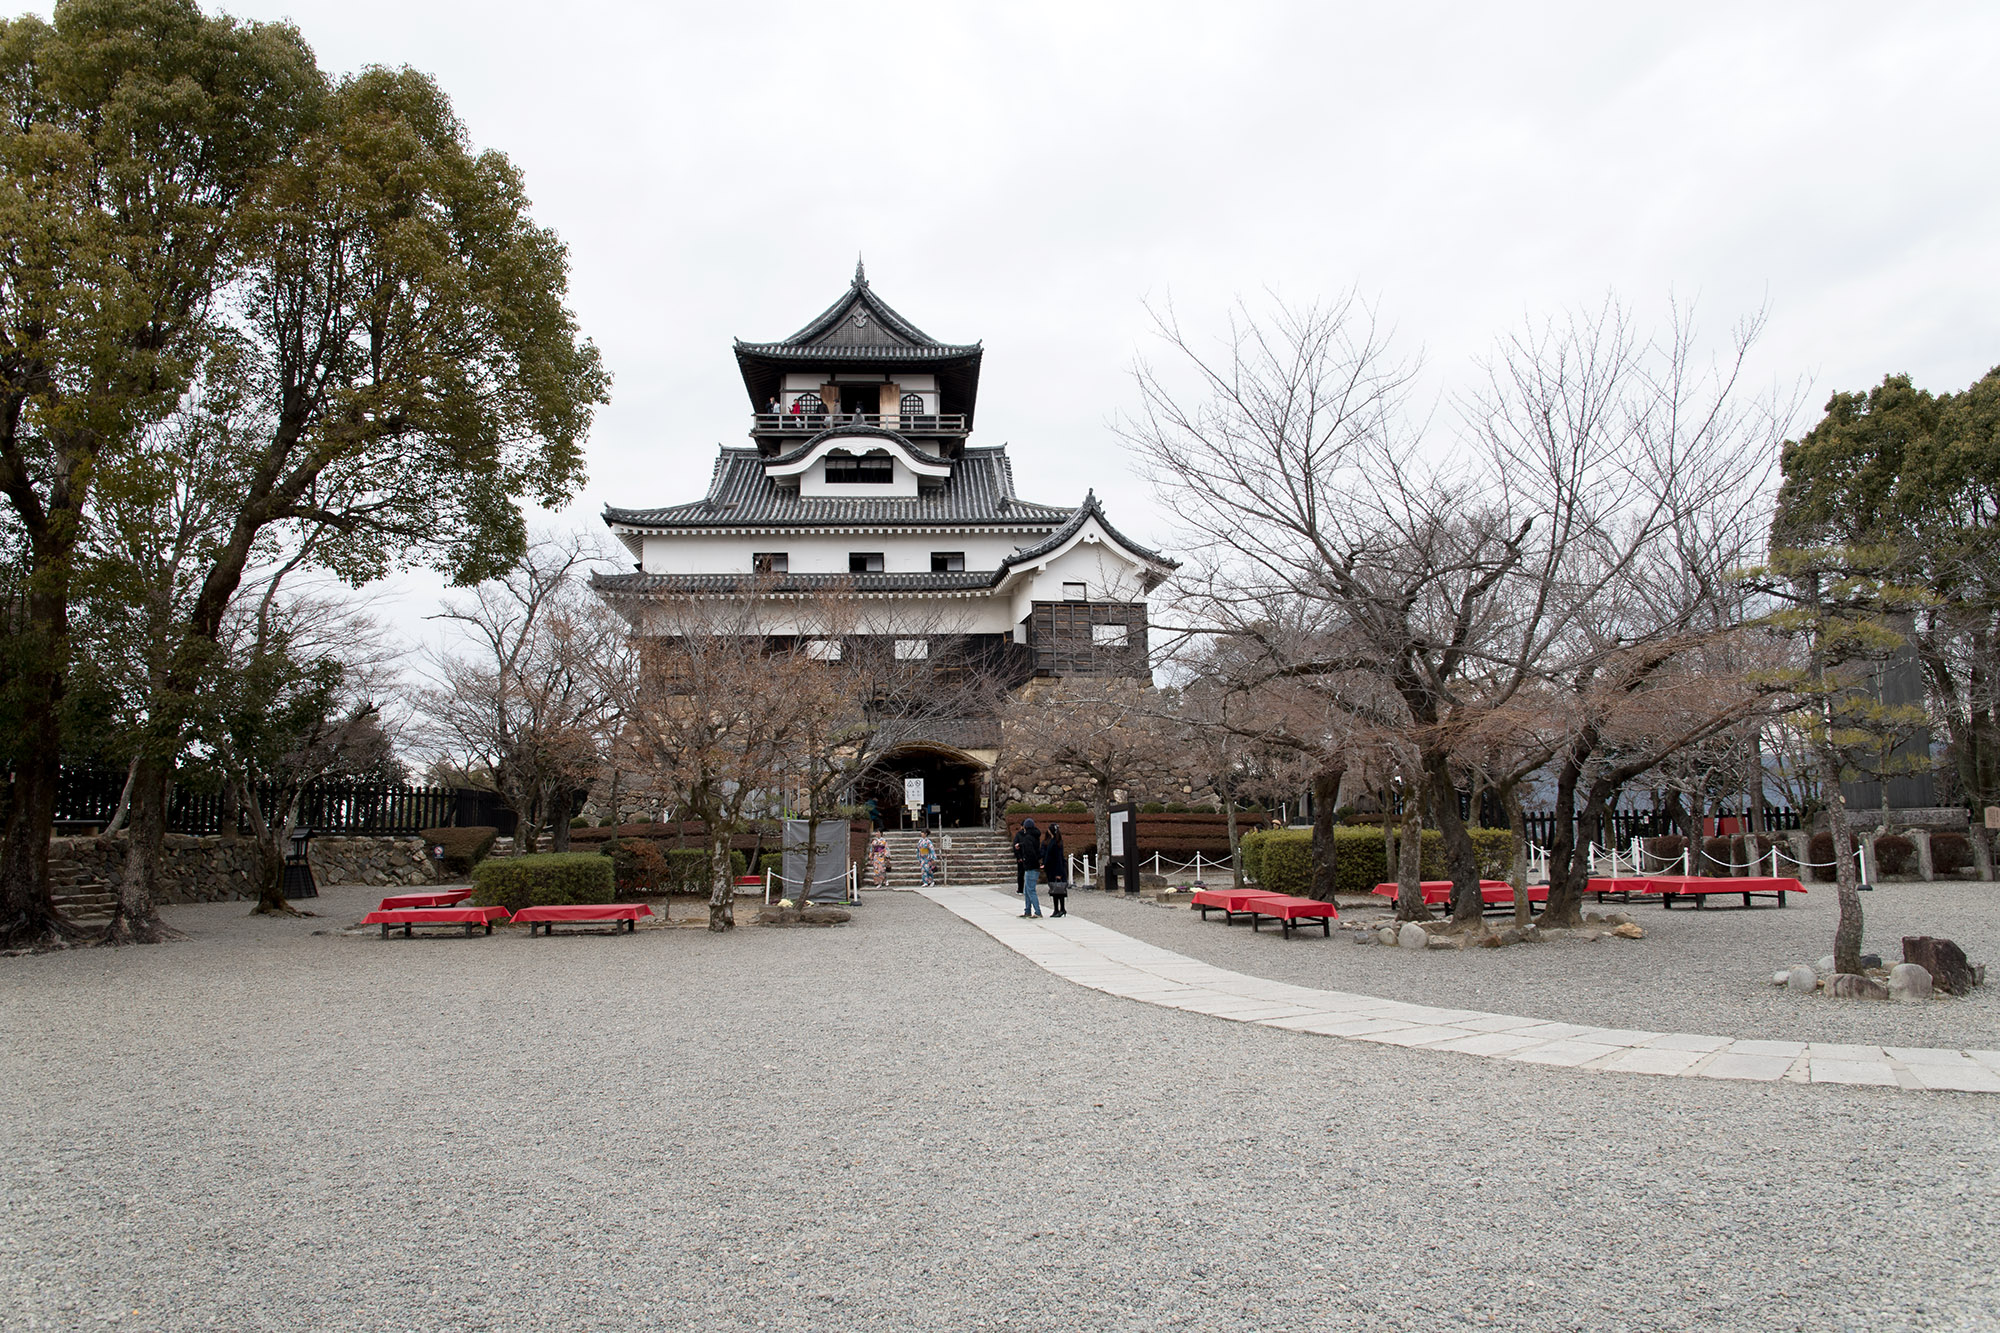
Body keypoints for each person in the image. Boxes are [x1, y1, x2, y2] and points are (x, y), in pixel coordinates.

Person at [1012, 817, 1043, 918]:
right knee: (1027, 890)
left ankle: (1037, 911)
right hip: (1033, 866)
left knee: (1031, 890)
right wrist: (1021, 845)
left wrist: (1025, 860)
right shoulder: (1034, 836)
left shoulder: (1027, 837)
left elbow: (1030, 851)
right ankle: (1027, 910)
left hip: (1031, 866)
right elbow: (1030, 845)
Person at [1041, 824, 1069, 917]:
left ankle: (1059, 909)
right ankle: (1059, 909)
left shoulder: (1055, 843)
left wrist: (1059, 872)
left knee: (1057, 889)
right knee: (1056, 889)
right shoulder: (1055, 841)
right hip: (1052, 868)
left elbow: (1058, 859)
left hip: (1055, 869)